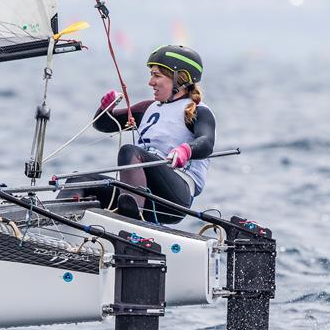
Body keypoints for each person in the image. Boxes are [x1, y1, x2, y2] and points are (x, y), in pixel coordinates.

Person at [62, 45, 216, 224]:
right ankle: (50, 221)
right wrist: (104, 109)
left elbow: (206, 143)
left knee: (130, 151)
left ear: (180, 79)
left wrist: (186, 150)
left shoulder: (198, 111)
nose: (151, 82)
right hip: (140, 192)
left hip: (175, 197)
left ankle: (130, 220)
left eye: (157, 75)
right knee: (79, 179)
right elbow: (104, 125)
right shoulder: (147, 109)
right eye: (151, 75)